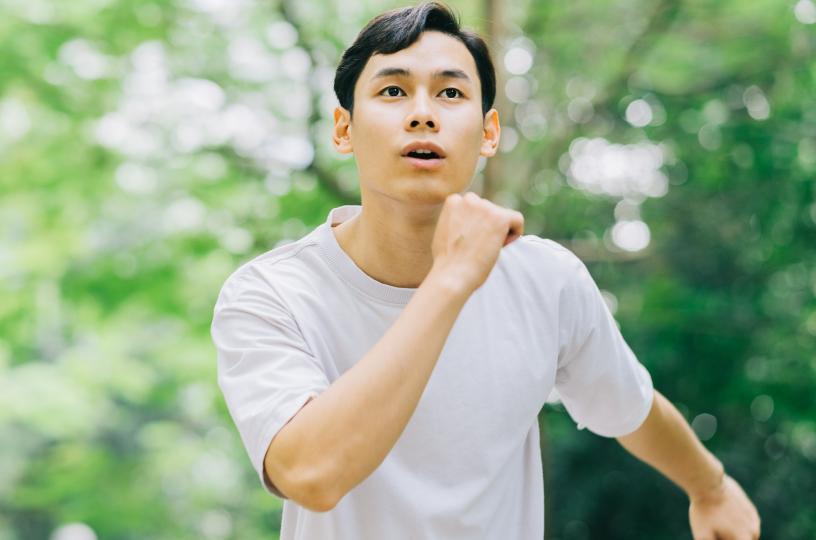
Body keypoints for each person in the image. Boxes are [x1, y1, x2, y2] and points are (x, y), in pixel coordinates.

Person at [210, 3, 761, 538]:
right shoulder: (271, 293)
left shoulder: (547, 280)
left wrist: (711, 488)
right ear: (343, 129)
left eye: (451, 92)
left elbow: (631, 406)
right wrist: (451, 281)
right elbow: (309, 473)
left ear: (489, 132)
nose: (422, 113)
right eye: (392, 90)